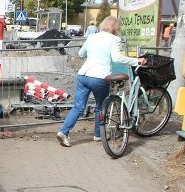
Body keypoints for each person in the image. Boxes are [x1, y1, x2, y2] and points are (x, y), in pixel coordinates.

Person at [56, 15, 146, 147]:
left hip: (83, 75)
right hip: (99, 77)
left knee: (78, 106)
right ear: (115, 27)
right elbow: (117, 58)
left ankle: (63, 132)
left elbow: (81, 54)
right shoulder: (114, 39)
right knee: (100, 107)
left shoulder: (92, 37)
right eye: (118, 27)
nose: (118, 30)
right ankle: (98, 135)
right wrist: (136, 60)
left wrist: (94, 54)